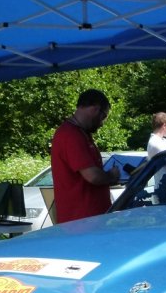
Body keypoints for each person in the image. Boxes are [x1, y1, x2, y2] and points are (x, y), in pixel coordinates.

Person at [50, 89, 119, 223]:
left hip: (87, 219)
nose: (102, 123)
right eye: (103, 116)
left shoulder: (80, 133)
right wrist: (112, 176)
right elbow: (93, 176)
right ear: (95, 109)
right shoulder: (71, 135)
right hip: (82, 221)